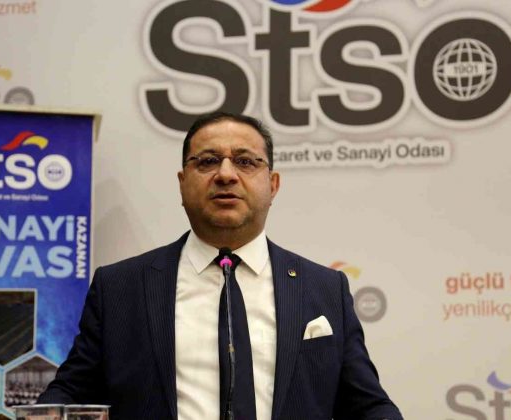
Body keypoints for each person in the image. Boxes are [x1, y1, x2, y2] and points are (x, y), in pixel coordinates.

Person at [37, 112, 403, 420]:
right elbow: (70, 393)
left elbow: (367, 406)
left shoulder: (324, 288)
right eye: (208, 161)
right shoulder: (120, 287)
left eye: (245, 162)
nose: (226, 174)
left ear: (273, 185)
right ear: (182, 184)